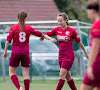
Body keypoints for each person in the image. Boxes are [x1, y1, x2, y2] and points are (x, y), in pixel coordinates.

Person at [40, 13, 88, 90]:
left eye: (61, 21)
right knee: (68, 76)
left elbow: (79, 42)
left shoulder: (72, 31)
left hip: (69, 55)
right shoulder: (57, 30)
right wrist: (50, 39)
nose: (59, 23)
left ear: (66, 20)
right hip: (60, 55)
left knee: (61, 75)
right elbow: (45, 34)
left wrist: (85, 53)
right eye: (58, 21)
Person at [3, 10, 44, 90]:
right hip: (25, 53)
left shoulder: (13, 28)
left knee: (12, 73)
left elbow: (8, 41)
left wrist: (5, 51)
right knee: (26, 74)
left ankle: (19, 88)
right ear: (26, 18)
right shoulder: (28, 28)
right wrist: (42, 36)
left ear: (18, 18)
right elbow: (38, 33)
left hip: (15, 53)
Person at [80, 0, 100, 90]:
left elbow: (95, 47)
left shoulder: (97, 25)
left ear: (92, 11)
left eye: (87, 12)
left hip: (97, 64)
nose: (88, 15)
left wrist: (89, 66)